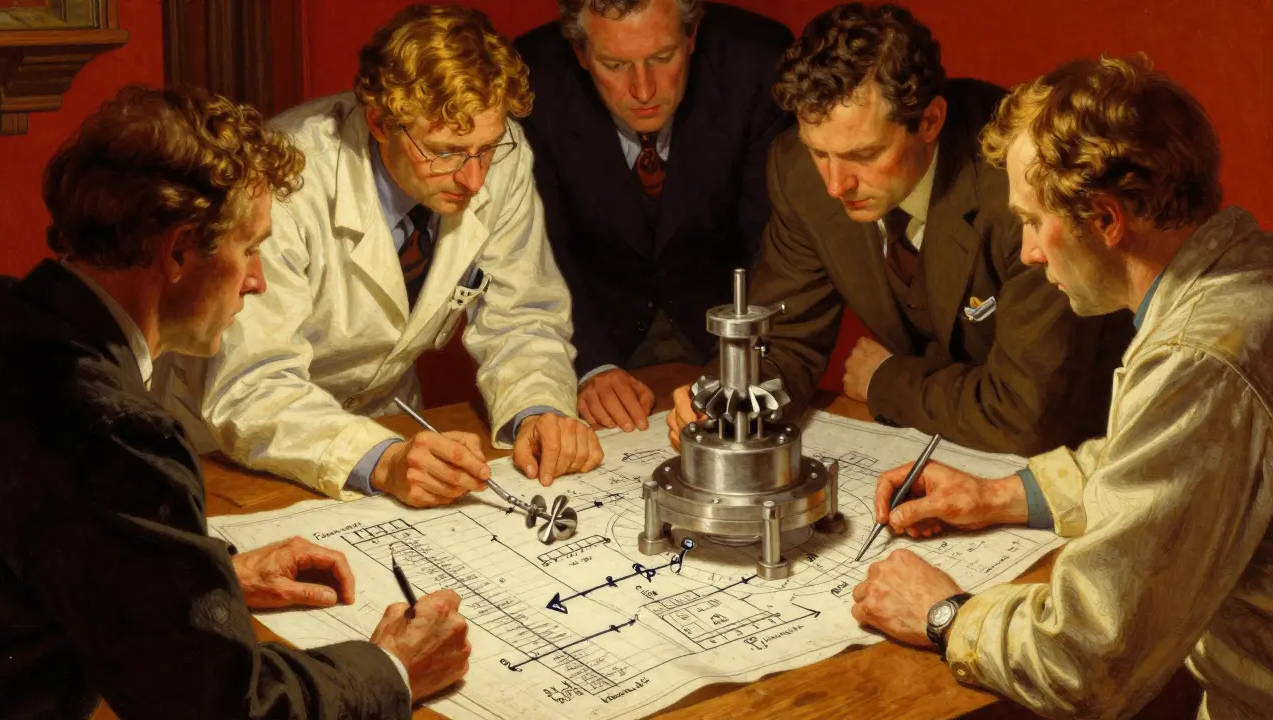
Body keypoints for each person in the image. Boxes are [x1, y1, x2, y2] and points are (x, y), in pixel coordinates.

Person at [0, 85, 470, 719]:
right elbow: (221, 707)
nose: (257, 281)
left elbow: (68, 546)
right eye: (249, 249)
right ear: (179, 251)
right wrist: (393, 668)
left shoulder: (10, 317)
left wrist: (215, 572)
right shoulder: (118, 434)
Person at [852, 56, 1273, 719]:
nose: (1027, 253)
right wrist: (995, 495)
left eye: (1032, 220)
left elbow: (1088, 661)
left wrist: (941, 615)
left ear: (1105, 219)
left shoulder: (1198, 359)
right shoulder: (1242, 282)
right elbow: (1172, 461)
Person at [157, 4, 603, 508]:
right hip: (235, 448)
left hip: (389, 436)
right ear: (379, 122)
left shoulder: (497, 152)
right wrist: (382, 459)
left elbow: (521, 315)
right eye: (445, 152)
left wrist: (537, 408)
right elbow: (253, 382)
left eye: (485, 149)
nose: (474, 179)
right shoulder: (284, 179)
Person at [666, 3, 1133, 456]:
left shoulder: (1021, 185)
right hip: (937, 446)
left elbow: (1028, 415)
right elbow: (786, 338)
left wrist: (884, 379)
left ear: (929, 121)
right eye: (819, 153)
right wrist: (730, 399)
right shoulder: (798, 173)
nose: (835, 184)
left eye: (865, 155)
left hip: (1084, 456)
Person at [515, 0, 792, 433]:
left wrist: (734, 368)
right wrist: (591, 365)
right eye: (614, 64)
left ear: (692, 35)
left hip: (725, 330)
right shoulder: (530, 78)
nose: (643, 90)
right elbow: (542, 248)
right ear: (580, 53)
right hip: (591, 334)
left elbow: (774, 243)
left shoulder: (755, 60)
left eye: (663, 58)